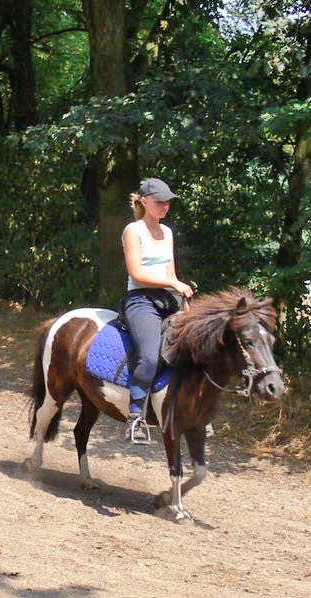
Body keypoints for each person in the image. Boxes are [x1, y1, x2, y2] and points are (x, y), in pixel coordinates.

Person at [120, 178, 194, 442]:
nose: (165, 206)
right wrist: (173, 284)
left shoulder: (168, 232)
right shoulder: (133, 230)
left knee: (195, 348)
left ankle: (192, 412)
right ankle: (135, 417)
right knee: (150, 357)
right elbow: (137, 274)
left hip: (167, 298)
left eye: (168, 202)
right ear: (144, 201)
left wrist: (182, 298)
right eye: (160, 201)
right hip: (140, 300)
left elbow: (170, 274)